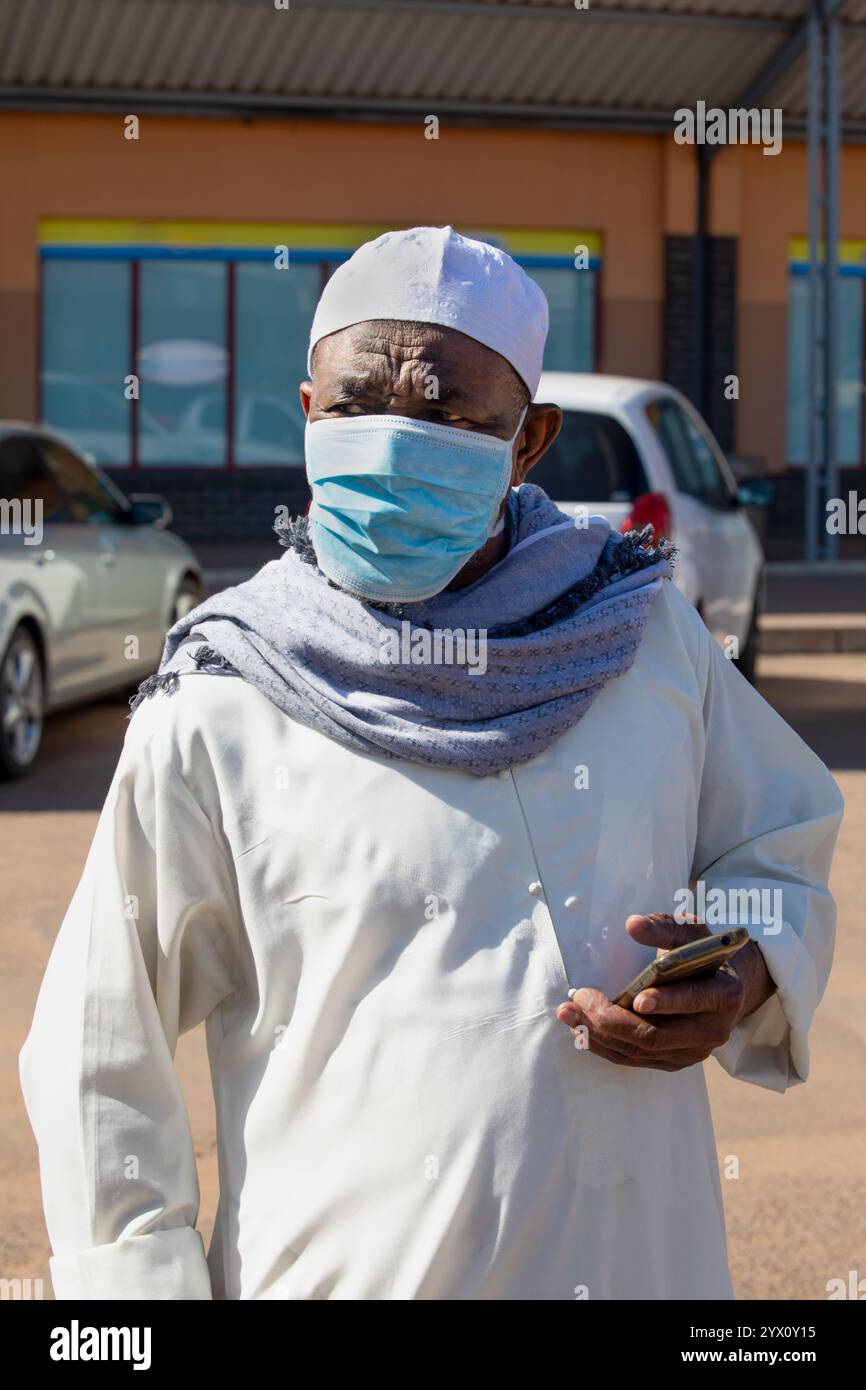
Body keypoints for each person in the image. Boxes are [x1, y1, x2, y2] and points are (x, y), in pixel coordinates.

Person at [20, 226, 843, 1301]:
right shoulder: (221, 694)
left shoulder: (642, 638)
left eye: (447, 410)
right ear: (307, 414)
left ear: (528, 441)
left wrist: (735, 976)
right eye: (359, 404)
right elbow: (99, 1039)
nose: (394, 439)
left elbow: (777, 846)